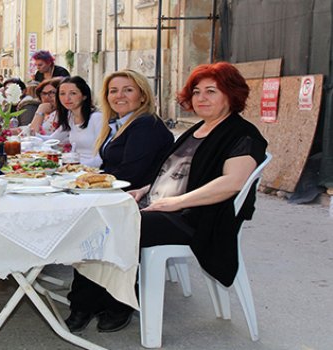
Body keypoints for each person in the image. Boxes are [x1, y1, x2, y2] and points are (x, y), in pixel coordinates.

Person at [64, 62, 267, 334]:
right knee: (97, 218)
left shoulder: (241, 133)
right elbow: (175, 173)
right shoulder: (198, 129)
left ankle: (108, 304)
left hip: (198, 218)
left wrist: (176, 202)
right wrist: (145, 189)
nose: (201, 98)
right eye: (196, 92)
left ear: (231, 94)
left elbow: (233, 182)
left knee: (108, 226)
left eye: (211, 91)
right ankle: (92, 302)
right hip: (165, 207)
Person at [94, 70, 174, 185]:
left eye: (128, 90)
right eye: (113, 91)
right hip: (116, 191)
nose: (119, 95)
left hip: (136, 197)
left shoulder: (146, 125)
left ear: (143, 96)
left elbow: (130, 174)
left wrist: (90, 181)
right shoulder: (118, 123)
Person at [48, 76, 103, 167]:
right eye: (62, 94)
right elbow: (52, 140)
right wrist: (30, 133)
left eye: (73, 93)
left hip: (92, 170)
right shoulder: (71, 116)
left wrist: (74, 166)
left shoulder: (97, 118)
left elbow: (102, 157)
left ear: (84, 96)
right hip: (75, 168)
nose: (67, 98)